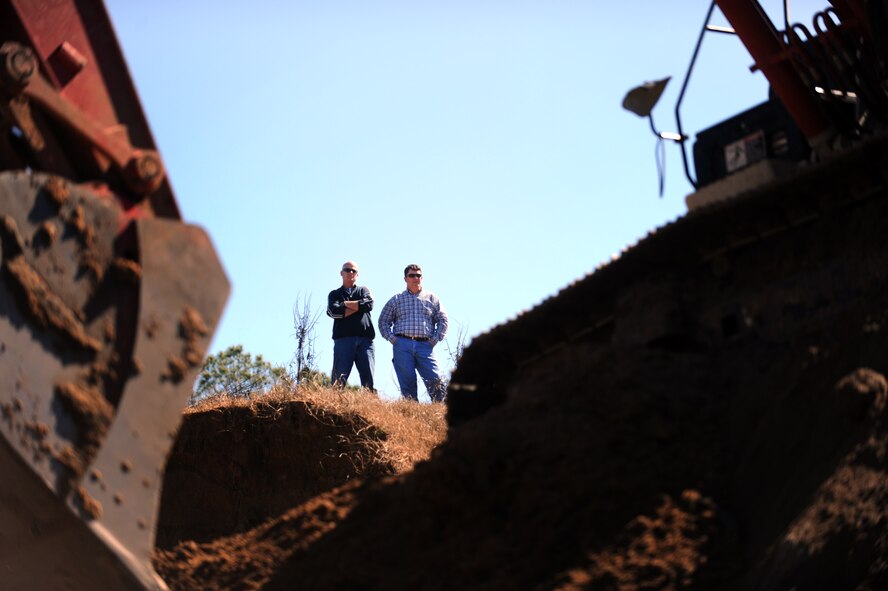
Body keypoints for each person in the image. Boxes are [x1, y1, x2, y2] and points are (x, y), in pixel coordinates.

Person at [378, 264, 448, 402]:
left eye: (418, 275)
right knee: (408, 385)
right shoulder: (396, 299)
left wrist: (434, 339)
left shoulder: (432, 298)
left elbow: (443, 319)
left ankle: (443, 416)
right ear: (405, 278)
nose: (415, 278)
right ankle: (412, 417)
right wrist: (393, 339)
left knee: (436, 382)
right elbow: (383, 321)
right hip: (402, 345)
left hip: (425, 346)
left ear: (422, 278)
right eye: (412, 275)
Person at [326, 261, 376, 391]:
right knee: (338, 380)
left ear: (357, 274)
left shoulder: (363, 290)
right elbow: (333, 311)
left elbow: (369, 305)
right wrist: (359, 306)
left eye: (354, 271)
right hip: (343, 340)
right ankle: (334, 405)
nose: (351, 273)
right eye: (347, 270)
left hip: (365, 341)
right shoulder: (334, 294)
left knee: (368, 380)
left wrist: (345, 305)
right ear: (341, 273)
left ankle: (369, 405)